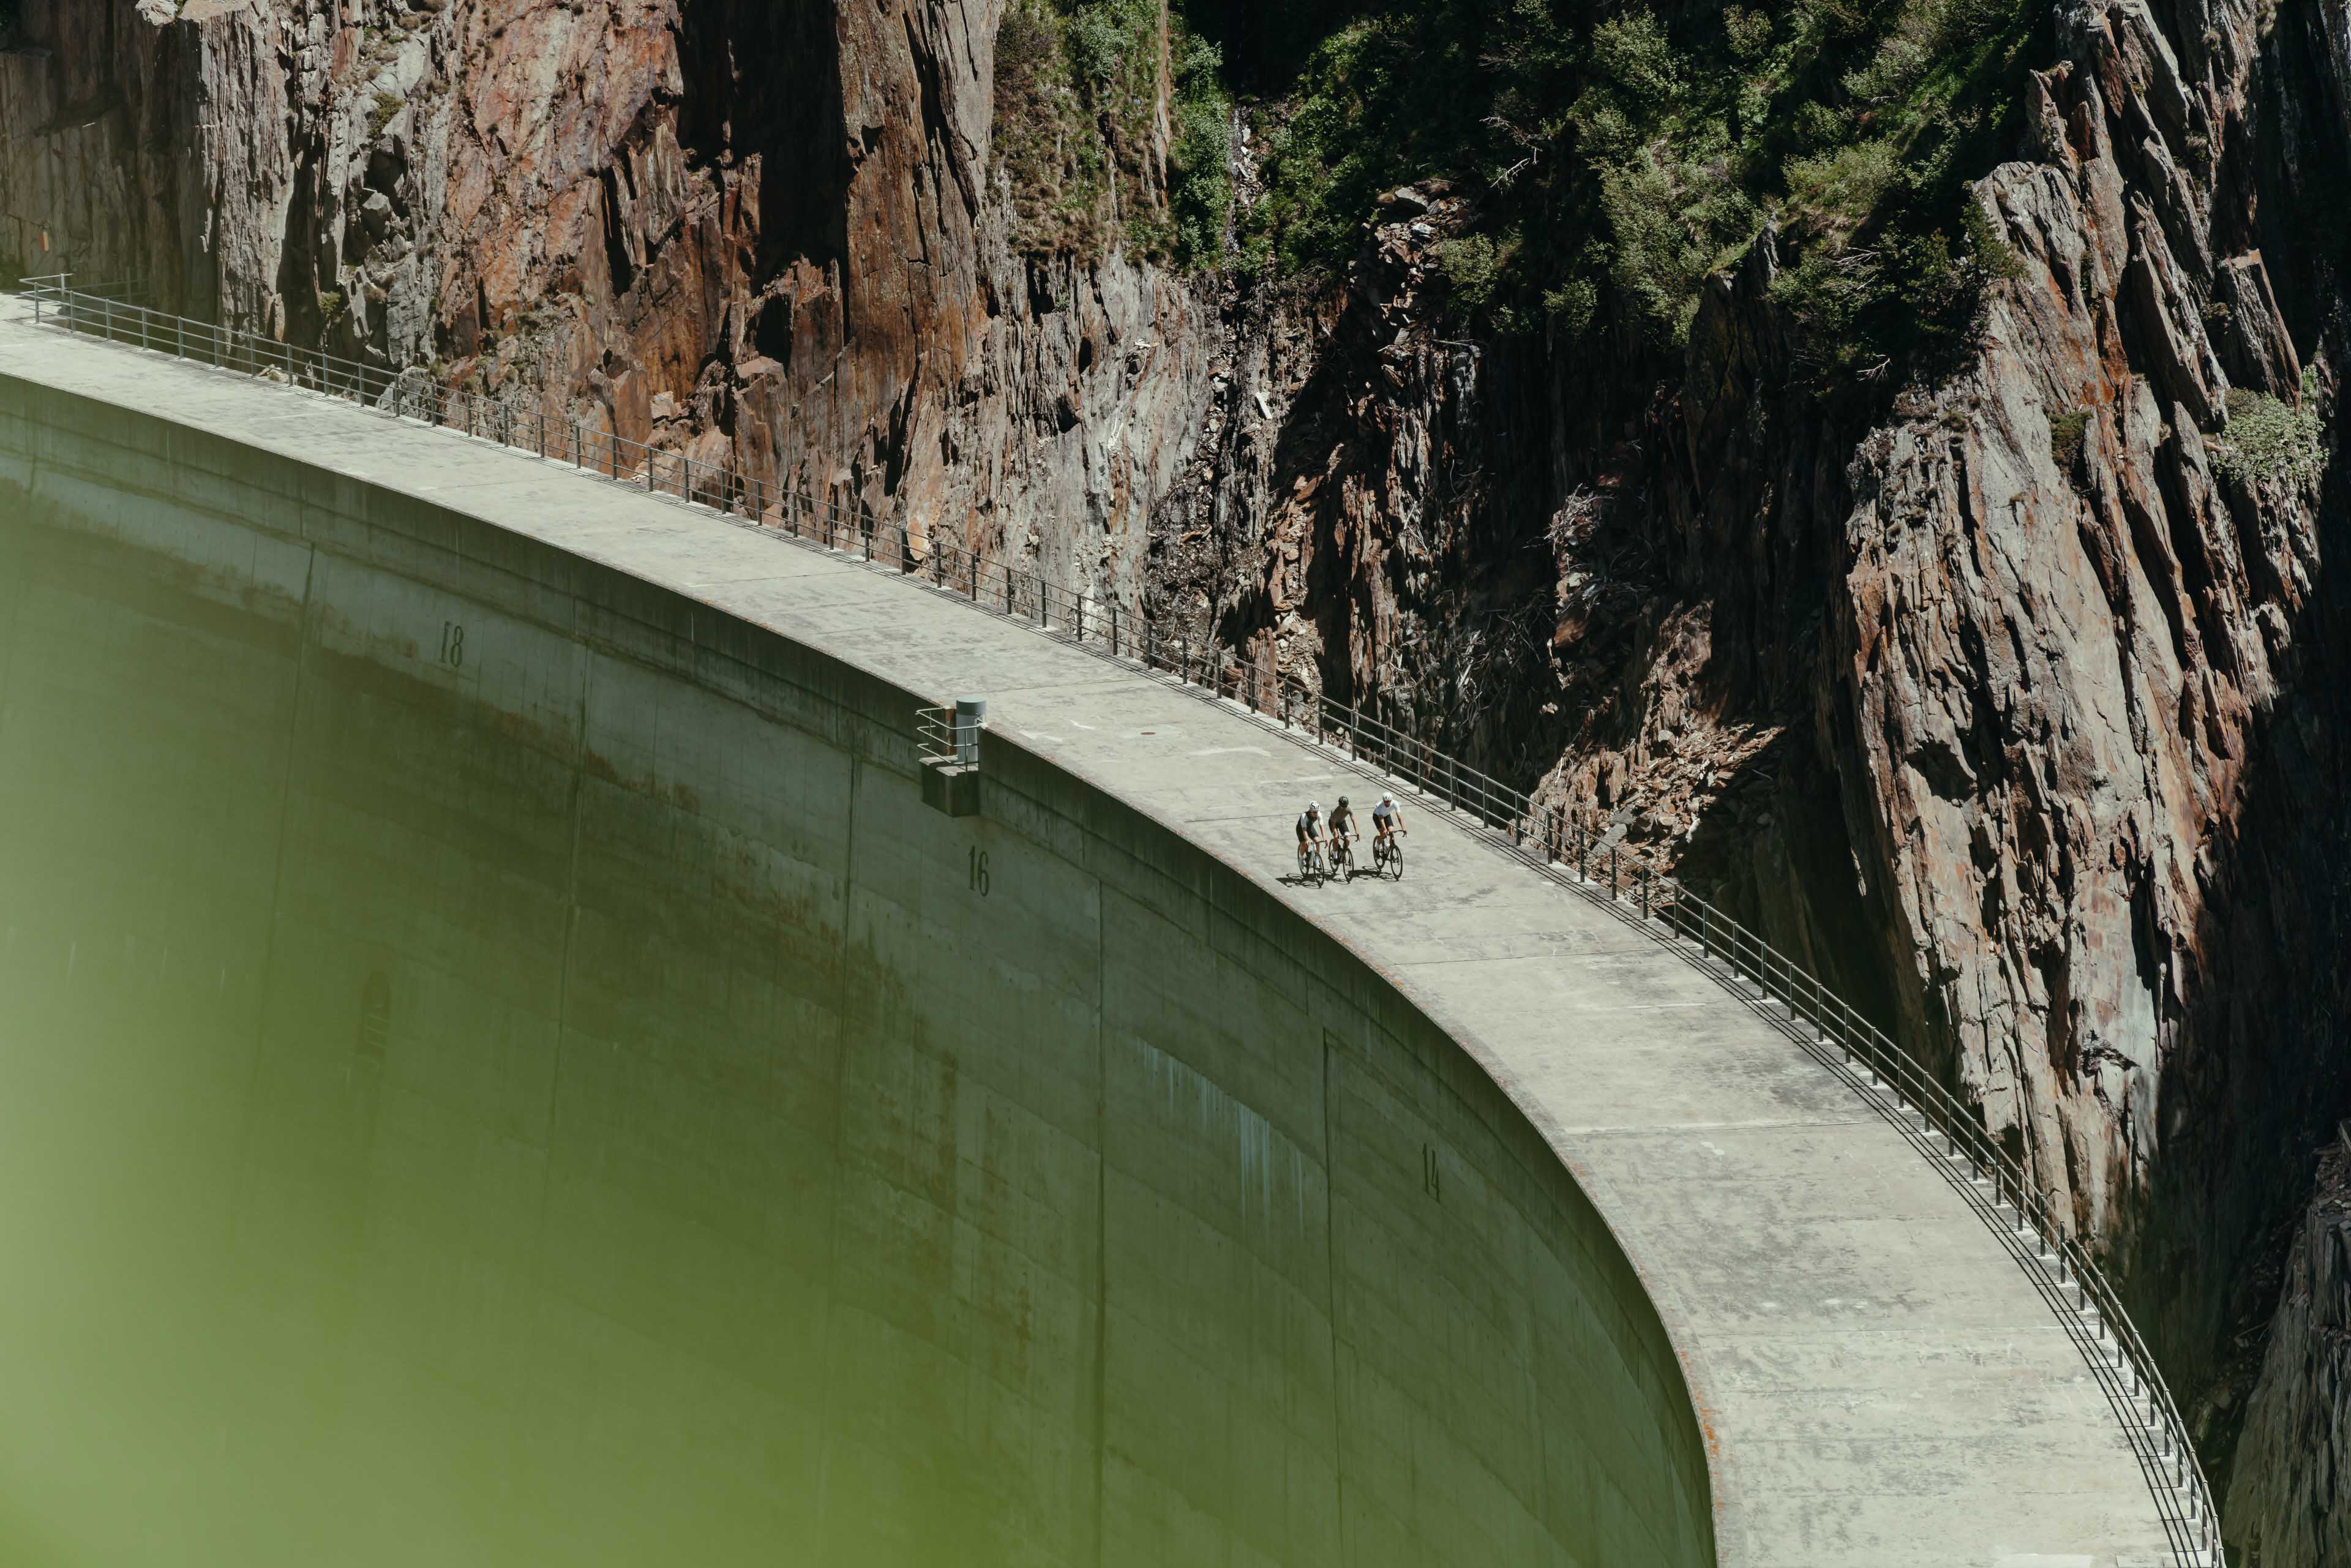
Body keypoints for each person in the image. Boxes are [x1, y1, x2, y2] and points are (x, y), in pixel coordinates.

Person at [1371, 793, 1406, 861]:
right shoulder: (1379, 806)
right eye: (1385, 802)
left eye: (1388, 802)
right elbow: (1381, 820)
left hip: (1387, 816)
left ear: (1391, 800)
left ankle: (1388, 848)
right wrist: (1384, 829)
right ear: (1383, 801)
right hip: (1377, 817)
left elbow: (1399, 816)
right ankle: (1377, 848)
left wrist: (1403, 828)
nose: (1387, 803)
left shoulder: (1395, 803)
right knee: (1383, 834)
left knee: (1391, 833)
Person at [1327, 795, 1358, 869]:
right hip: (1333, 824)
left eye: (1346, 806)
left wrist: (1357, 832)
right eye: (1343, 806)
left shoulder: (1349, 809)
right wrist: (1336, 834)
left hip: (1342, 823)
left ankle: (1343, 851)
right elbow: (1334, 826)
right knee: (1336, 839)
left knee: (1348, 839)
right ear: (1339, 805)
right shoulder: (1334, 811)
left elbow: (1353, 820)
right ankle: (1335, 856)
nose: (1345, 808)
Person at [1295, 800, 1327, 869]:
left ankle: (1317, 860)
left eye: (1317, 812)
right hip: (1301, 829)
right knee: (1306, 844)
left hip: (1309, 827)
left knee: (1318, 842)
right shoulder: (1304, 816)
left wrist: (1324, 838)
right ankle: (1301, 858)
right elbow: (1304, 830)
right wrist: (1306, 840)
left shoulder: (1319, 814)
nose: (1316, 813)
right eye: (1314, 812)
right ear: (1310, 811)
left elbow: (1321, 826)